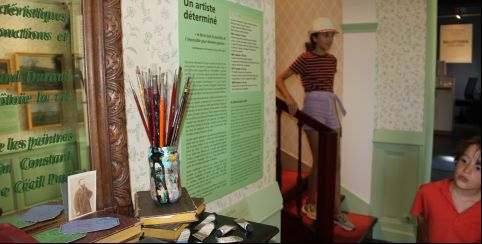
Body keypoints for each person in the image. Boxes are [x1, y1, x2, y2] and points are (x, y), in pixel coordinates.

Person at [276, 17, 354, 231]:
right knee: (320, 160)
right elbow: (279, 79)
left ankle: (336, 212)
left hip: (330, 106)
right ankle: (310, 204)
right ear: (315, 37)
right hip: (313, 106)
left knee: (335, 162)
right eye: (325, 35)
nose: (329, 39)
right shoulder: (305, 58)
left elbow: (329, 89)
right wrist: (289, 98)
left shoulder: (332, 60)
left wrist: (336, 117)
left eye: (331, 35)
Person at [411, 136, 480, 243]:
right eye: (464, 160)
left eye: (478, 168)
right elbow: (421, 229)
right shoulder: (427, 192)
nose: (466, 170)